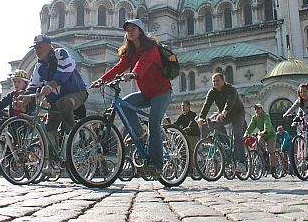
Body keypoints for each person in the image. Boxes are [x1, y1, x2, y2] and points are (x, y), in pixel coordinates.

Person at [91, 19, 172, 179]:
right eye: (128, 30)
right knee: (125, 104)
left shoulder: (151, 49)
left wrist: (133, 74)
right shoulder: (130, 53)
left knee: (154, 124)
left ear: (140, 31)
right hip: (146, 93)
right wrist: (102, 79)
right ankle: (141, 136)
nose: (130, 32)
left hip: (161, 92)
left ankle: (156, 165)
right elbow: (119, 67)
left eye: (134, 28)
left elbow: (143, 63)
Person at [24, 35, 88, 150]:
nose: (37, 51)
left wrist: (49, 87)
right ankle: (53, 161)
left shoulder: (61, 54)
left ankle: (75, 136)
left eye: (40, 47)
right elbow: (33, 85)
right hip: (56, 101)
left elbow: (63, 74)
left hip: (77, 93)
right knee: (49, 129)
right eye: (35, 48)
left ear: (49, 46)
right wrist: (23, 98)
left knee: (63, 103)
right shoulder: (39, 66)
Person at [0, 69, 34, 181]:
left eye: (18, 82)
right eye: (14, 82)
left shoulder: (28, 94)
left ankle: (26, 162)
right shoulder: (11, 95)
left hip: (23, 123)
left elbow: (32, 109)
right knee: (8, 139)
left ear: (25, 83)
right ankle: (6, 163)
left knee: (22, 143)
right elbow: (1, 103)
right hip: (12, 123)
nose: (16, 84)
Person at [197, 72, 246, 172]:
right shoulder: (212, 92)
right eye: (213, 81)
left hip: (237, 113)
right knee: (211, 123)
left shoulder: (231, 89)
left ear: (223, 80)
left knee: (237, 136)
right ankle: (226, 146)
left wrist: (224, 112)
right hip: (224, 115)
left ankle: (241, 163)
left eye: (218, 80)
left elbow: (230, 101)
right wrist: (201, 118)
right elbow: (206, 105)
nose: (215, 83)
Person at [244, 104, 277, 172]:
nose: (257, 110)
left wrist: (265, 130)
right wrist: (246, 134)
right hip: (262, 134)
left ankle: (273, 167)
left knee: (271, 151)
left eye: (258, 109)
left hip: (270, 134)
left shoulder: (266, 116)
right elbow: (251, 126)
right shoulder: (254, 117)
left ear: (262, 109)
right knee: (259, 142)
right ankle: (264, 153)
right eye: (255, 109)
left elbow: (267, 123)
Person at [173, 101, 200, 171]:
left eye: (184, 106)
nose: (183, 107)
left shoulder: (193, 115)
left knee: (190, 151)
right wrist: (170, 127)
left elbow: (192, 123)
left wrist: (187, 129)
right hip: (185, 136)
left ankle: (192, 168)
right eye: (182, 106)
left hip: (193, 136)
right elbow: (176, 124)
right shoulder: (181, 116)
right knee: (181, 150)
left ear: (188, 106)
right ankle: (184, 166)